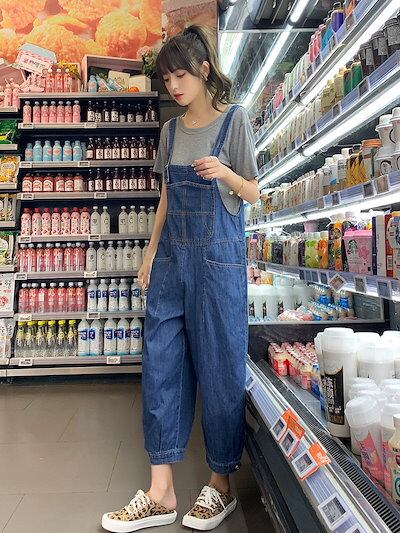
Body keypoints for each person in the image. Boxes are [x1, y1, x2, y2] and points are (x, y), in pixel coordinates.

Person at [102, 24, 260, 533]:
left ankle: (220, 483)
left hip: (218, 266)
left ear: (203, 71)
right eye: (166, 78)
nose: (172, 86)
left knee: (219, 368)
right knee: (161, 366)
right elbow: (167, 198)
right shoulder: (169, 132)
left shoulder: (234, 121)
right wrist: (149, 253)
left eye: (180, 76)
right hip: (170, 264)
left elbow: (254, 192)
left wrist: (225, 173)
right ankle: (161, 492)